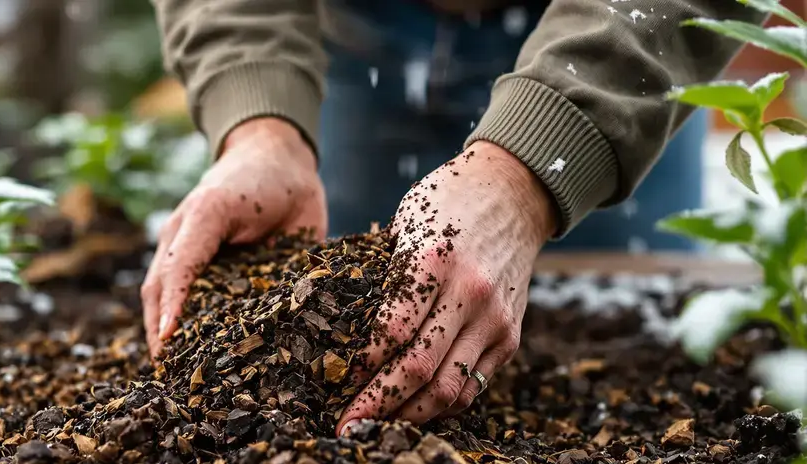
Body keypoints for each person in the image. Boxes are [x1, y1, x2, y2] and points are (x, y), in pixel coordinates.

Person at [142, 0, 766, 436]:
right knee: (382, 302)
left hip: (620, 28)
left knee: (635, 331)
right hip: (356, 40)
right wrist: (261, 124)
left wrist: (532, 173)